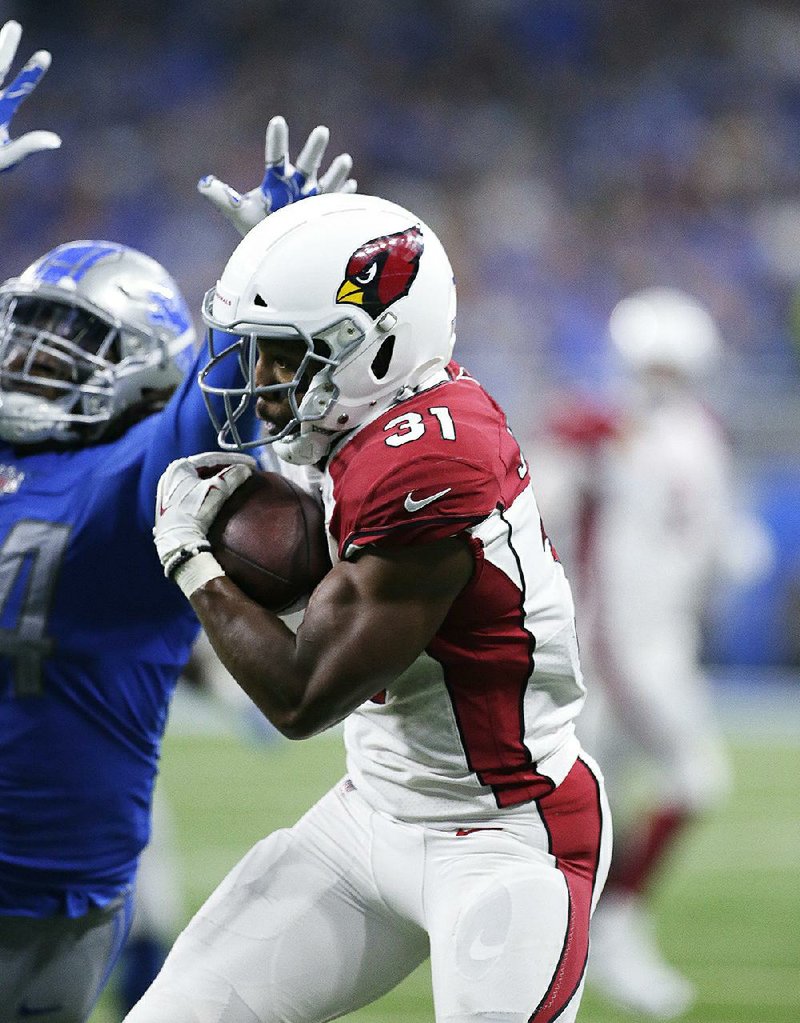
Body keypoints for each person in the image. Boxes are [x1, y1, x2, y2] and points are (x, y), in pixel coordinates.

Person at [124, 191, 613, 1023]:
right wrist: (288, 269)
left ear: (377, 348)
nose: (261, 382)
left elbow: (300, 692)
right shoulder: (370, 413)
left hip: (504, 831)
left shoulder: (432, 461)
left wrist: (189, 556)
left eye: (285, 355)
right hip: (370, 813)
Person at [0, 19, 356, 1021]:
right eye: (24, 335)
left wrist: (280, 263)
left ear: (138, 372)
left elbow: (224, 389)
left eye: (68, 343)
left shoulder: (133, 487)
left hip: (54, 907)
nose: (31, 361)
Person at [529, 287, 773, 1018]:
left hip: (662, 641)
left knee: (591, 813)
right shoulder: (602, 430)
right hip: (618, 651)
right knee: (693, 782)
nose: (662, 377)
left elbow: (718, 540)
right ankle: (612, 932)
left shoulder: (695, 433)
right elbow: (538, 508)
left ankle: (590, 940)